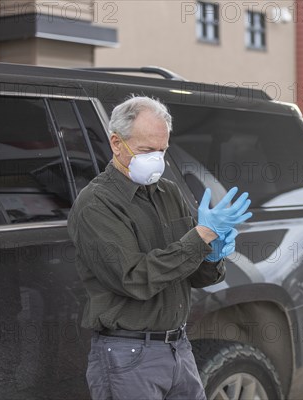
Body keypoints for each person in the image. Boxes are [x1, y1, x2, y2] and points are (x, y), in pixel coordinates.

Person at [68, 96, 251, 400]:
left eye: (162, 150)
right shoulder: (96, 204)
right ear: (116, 143)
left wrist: (213, 254)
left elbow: (193, 274)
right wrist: (200, 236)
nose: (157, 159)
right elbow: (135, 278)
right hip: (128, 355)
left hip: (178, 346)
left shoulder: (168, 191)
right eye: (146, 150)